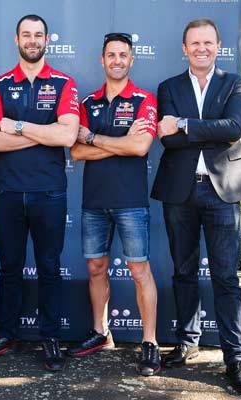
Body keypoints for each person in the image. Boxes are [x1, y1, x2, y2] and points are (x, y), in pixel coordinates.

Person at [151, 18, 241, 394]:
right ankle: (186, 342)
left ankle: (235, 359)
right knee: (183, 271)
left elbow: (233, 127)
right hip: (180, 191)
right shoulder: (168, 87)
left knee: (226, 278)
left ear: (218, 46)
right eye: (194, 43)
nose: (201, 48)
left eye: (208, 42)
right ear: (184, 48)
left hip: (222, 190)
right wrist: (195, 129)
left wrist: (182, 123)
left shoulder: (236, 83)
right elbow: (169, 141)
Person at [0, 14, 79, 372]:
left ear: (47, 40)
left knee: (49, 267)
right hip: (9, 193)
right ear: (16, 40)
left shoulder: (64, 83)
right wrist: (42, 132)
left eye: (38, 35)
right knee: (10, 268)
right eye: (26, 35)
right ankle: (6, 333)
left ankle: (50, 336)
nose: (32, 40)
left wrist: (17, 126)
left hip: (50, 193)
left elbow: (66, 137)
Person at [68, 33, 160, 376]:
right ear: (102, 59)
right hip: (94, 202)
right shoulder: (88, 103)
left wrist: (94, 137)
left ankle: (149, 342)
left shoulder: (144, 100)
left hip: (130, 202)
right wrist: (121, 141)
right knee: (95, 268)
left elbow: (140, 148)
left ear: (131, 60)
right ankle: (100, 332)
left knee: (139, 271)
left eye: (123, 55)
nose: (117, 60)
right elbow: (76, 153)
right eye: (111, 54)